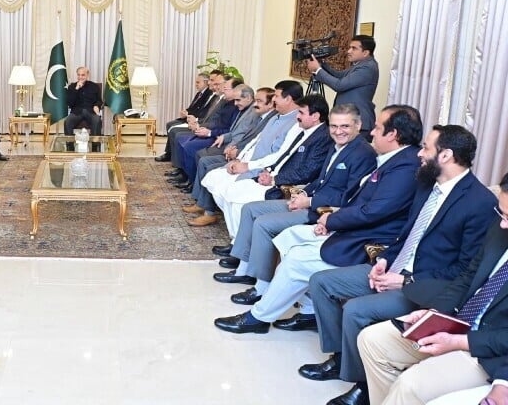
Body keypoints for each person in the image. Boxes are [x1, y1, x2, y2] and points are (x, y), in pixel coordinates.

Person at [303, 124, 497, 405]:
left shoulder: (479, 202)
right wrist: (384, 260)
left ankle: (363, 386)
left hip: (425, 288)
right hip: (394, 269)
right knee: (322, 281)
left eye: (427, 148)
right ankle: (341, 358)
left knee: (357, 311)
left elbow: (466, 270)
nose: (420, 153)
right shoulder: (427, 185)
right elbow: (407, 235)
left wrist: (406, 281)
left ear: (445, 156)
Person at [213, 105, 422, 335]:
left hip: (366, 241)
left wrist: (331, 219)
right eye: (334, 125)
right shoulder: (395, 160)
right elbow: (356, 200)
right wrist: (324, 213)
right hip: (347, 224)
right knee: (288, 240)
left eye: (378, 127)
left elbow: (373, 211)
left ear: (392, 134)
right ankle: (308, 309)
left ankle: (258, 317)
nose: (372, 132)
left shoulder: (403, 165)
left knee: (296, 258)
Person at [358, 176, 508, 405]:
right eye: (502, 213)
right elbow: (468, 278)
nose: (503, 223)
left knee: (409, 386)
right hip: (458, 324)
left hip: (489, 351)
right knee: (372, 341)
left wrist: (459, 342)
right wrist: (434, 314)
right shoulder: (499, 230)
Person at [212, 104, 377, 285]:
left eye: (345, 126)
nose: (338, 132)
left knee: (263, 223)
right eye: (334, 126)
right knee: (250, 209)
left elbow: (350, 197)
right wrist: (303, 193)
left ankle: (260, 285)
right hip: (307, 200)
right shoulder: (337, 146)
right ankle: (243, 267)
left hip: (322, 211)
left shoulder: (363, 153)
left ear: (358, 125)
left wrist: (309, 201)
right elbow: (321, 180)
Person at [208, 94, 335, 239]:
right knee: (230, 190)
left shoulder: (323, 138)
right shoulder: (304, 132)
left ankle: (239, 244)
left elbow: (307, 172)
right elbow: (284, 156)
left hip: (286, 187)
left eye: (301, 113)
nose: (297, 116)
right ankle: (237, 242)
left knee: (238, 201)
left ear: (315, 116)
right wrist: (268, 170)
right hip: (272, 177)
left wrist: (274, 179)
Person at [189, 80, 303, 227]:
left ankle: (233, 235)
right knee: (213, 177)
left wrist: (246, 164)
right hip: (245, 159)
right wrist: (240, 158)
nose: (274, 100)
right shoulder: (275, 116)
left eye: (276, 96)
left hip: (260, 169)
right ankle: (218, 219)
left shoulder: (295, 122)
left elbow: (280, 155)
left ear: (288, 99)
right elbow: (255, 140)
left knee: (228, 188)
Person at [306, 34, 378, 137]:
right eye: (350, 47)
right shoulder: (361, 65)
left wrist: (318, 70)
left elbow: (339, 85)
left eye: (354, 48)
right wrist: (322, 64)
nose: (349, 51)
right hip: (349, 121)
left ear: (365, 52)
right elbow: (339, 76)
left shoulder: (367, 68)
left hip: (358, 123)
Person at [156, 70, 223, 162]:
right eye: (211, 81)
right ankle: (170, 154)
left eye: (213, 81)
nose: (210, 83)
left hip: (202, 125)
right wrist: (186, 112)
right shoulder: (204, 94)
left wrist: (196, 121)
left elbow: (207, 115)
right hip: (196, 121)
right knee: (170, 125)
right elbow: (196, 108)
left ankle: (176, 161)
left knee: (175, 131)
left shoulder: (216, 97)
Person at [64, 66, 103, 135]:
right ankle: (70, 145)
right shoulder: (72, 86)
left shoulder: (94, 86)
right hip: (76, 112)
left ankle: (96, 145)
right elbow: (70, 103)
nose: (80, 77)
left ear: (87, 75)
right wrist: (76, 89)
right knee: (67, 121)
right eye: (78, 75)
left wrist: (97, 106)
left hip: (91, 111)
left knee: (97, 120)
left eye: (83, 75)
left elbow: (99, 100)